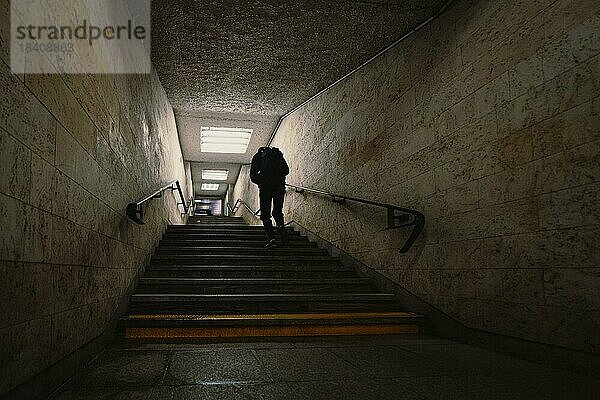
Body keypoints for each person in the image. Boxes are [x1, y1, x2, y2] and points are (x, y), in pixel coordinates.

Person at [250, 146, 289, 248]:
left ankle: (272, 238)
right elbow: (286, 170)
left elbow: (253, 176)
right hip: (279, 188)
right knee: (277, 212)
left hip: (265, 189)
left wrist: (262, 181)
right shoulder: (278, 155)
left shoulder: (258, 156)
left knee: (265, 215)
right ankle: (282, 231)